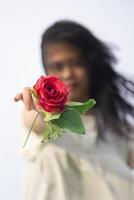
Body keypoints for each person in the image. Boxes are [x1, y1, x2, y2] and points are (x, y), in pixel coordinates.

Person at [14, 20, 134, 200]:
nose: (68, 73)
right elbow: (34, 121)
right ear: (47, 71)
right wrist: (40, 107)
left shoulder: (120, 129)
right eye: (58, 66)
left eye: (77, 63)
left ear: (91, 65)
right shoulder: (41, 117)